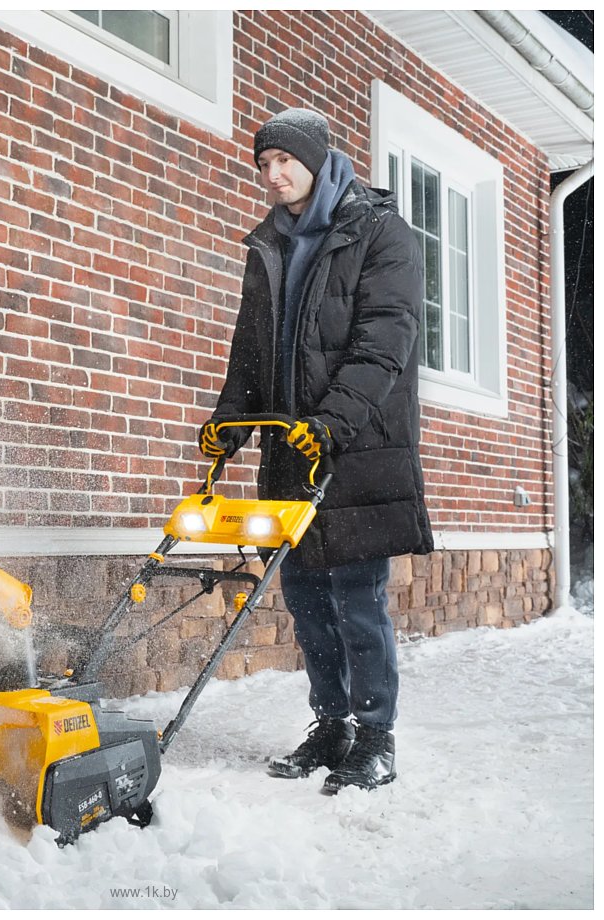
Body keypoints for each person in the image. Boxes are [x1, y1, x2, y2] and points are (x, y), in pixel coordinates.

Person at [199, 108, 433, 793]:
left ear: (317, 157)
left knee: (357, 600)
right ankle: (330, 727)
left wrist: (330, 422)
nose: (273, 176)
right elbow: (251, 353)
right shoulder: (268, 243)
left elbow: (384, 343)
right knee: (305, 598)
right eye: (263, 165)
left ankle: (376, 738)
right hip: (289, 454)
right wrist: (229, 423)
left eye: (283, 161)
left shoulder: (382, 233)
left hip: (356, 449)